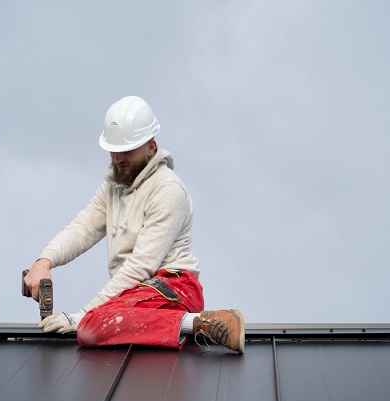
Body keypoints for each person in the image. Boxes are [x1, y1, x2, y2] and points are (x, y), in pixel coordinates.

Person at [23, 96, 245, 353]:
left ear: (151, 146)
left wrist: (82, 314)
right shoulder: (113, 186)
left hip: (173, 288)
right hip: (136, 293)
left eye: (126, 150)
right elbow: (82, 229)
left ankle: (204, 323)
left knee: (92, 325)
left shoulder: (168, 190)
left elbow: (141, 265)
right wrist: (44, 262)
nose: (117, 158)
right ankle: (183, 325)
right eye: (113, 150)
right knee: (96, 322)